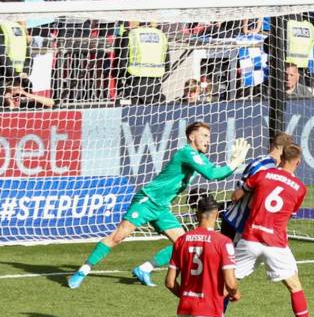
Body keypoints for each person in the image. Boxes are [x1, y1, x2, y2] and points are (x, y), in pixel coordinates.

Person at [67, 122, 250, 289]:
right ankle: (82, 271)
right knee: (118, 236)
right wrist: (234, 162)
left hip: (162, 208)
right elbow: (212, 174)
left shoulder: (197, 157)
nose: (208, 141)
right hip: (147, 200)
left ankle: (144, 269)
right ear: (192, 137)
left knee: (184, 244)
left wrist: (234, 163)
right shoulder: (187, 153)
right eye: (204, 136)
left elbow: (216, 173)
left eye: (209, 137)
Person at [235, 144, 314, 317]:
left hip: (251, 238)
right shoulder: (300, 188)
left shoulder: (263, 175)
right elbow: (288, 213)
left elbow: (238, 195)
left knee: (225, 283)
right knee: (295, 287)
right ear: (298, 163)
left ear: (280, 157)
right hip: (276, 244)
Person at [221, 131, 293, 243]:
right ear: (285, 152)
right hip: (240, 226)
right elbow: (248, 200)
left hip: (230, 218)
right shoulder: (270, 171)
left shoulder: (259, 160)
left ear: (270, 146)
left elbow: (236, 195)